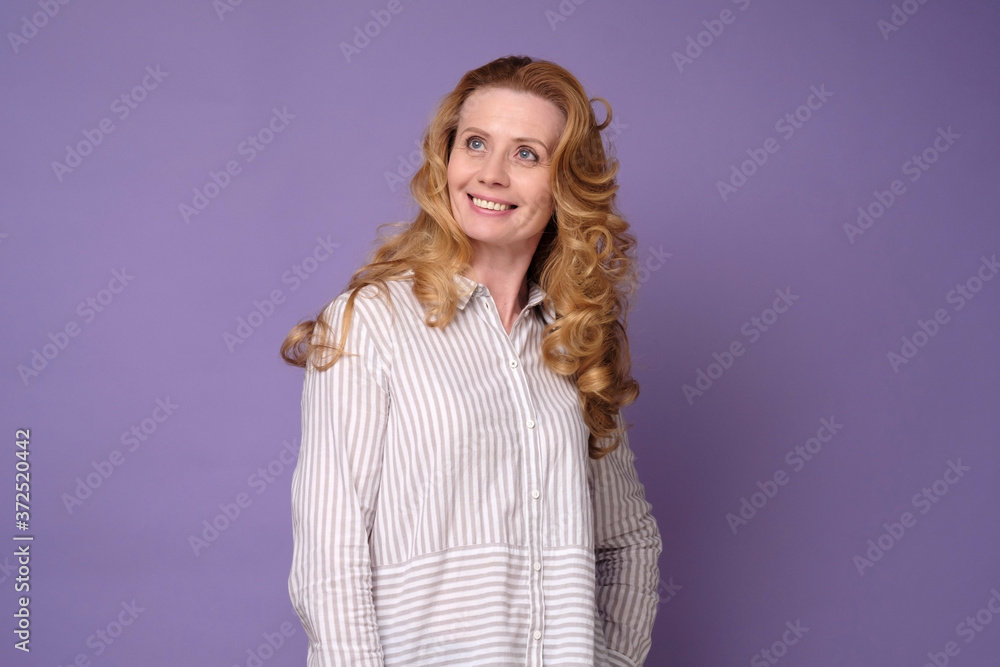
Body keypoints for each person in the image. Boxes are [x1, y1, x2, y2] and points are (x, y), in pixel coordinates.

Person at [280, 54, 662, 666]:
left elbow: (629, 543)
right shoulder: (370, 322)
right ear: (446, 158)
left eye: (527, 154)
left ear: (567, 184)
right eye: (475, 143)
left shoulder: (574, 343)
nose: (491, 174)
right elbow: (331, 553)